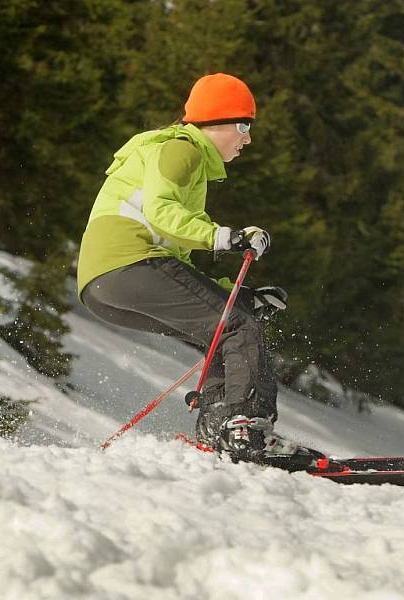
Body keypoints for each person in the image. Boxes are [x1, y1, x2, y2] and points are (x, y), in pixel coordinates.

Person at [77, 73, 286, 461]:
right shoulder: (181, 148)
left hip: (104, 283)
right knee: (236, 326)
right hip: (130, 262)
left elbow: (179, 264)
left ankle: (218, 427)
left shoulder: (182, 161)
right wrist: (227, 237)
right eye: (243, 126)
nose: (248, 139)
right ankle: (245, 427)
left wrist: (235, 294)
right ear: (215, 122)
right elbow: (161, 212)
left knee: (227, 321)